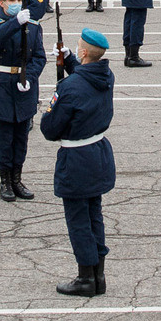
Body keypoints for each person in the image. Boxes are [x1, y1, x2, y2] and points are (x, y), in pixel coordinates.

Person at [41, 28, 117, 296]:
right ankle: (99, 275)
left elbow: (49, 129)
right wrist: (69, 58)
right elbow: (87, 76)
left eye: (78, 47)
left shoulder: (69, 87)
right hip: (98, 153)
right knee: (94, 214)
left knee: (78, 220)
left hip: (76, 160)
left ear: (84, 51)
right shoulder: (106, 75)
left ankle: (85, 277)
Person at [0, 0, 47, 202]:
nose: (17, 4)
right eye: (12, 1)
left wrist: (29, 77)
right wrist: (15, 23)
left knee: (22, 137)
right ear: (2, 3)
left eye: (19, 0)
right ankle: (5, 181)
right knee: (5, 137)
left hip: (24, 85)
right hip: (3, 85)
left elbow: (39, 57)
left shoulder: (33, 25)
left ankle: (17, 179)